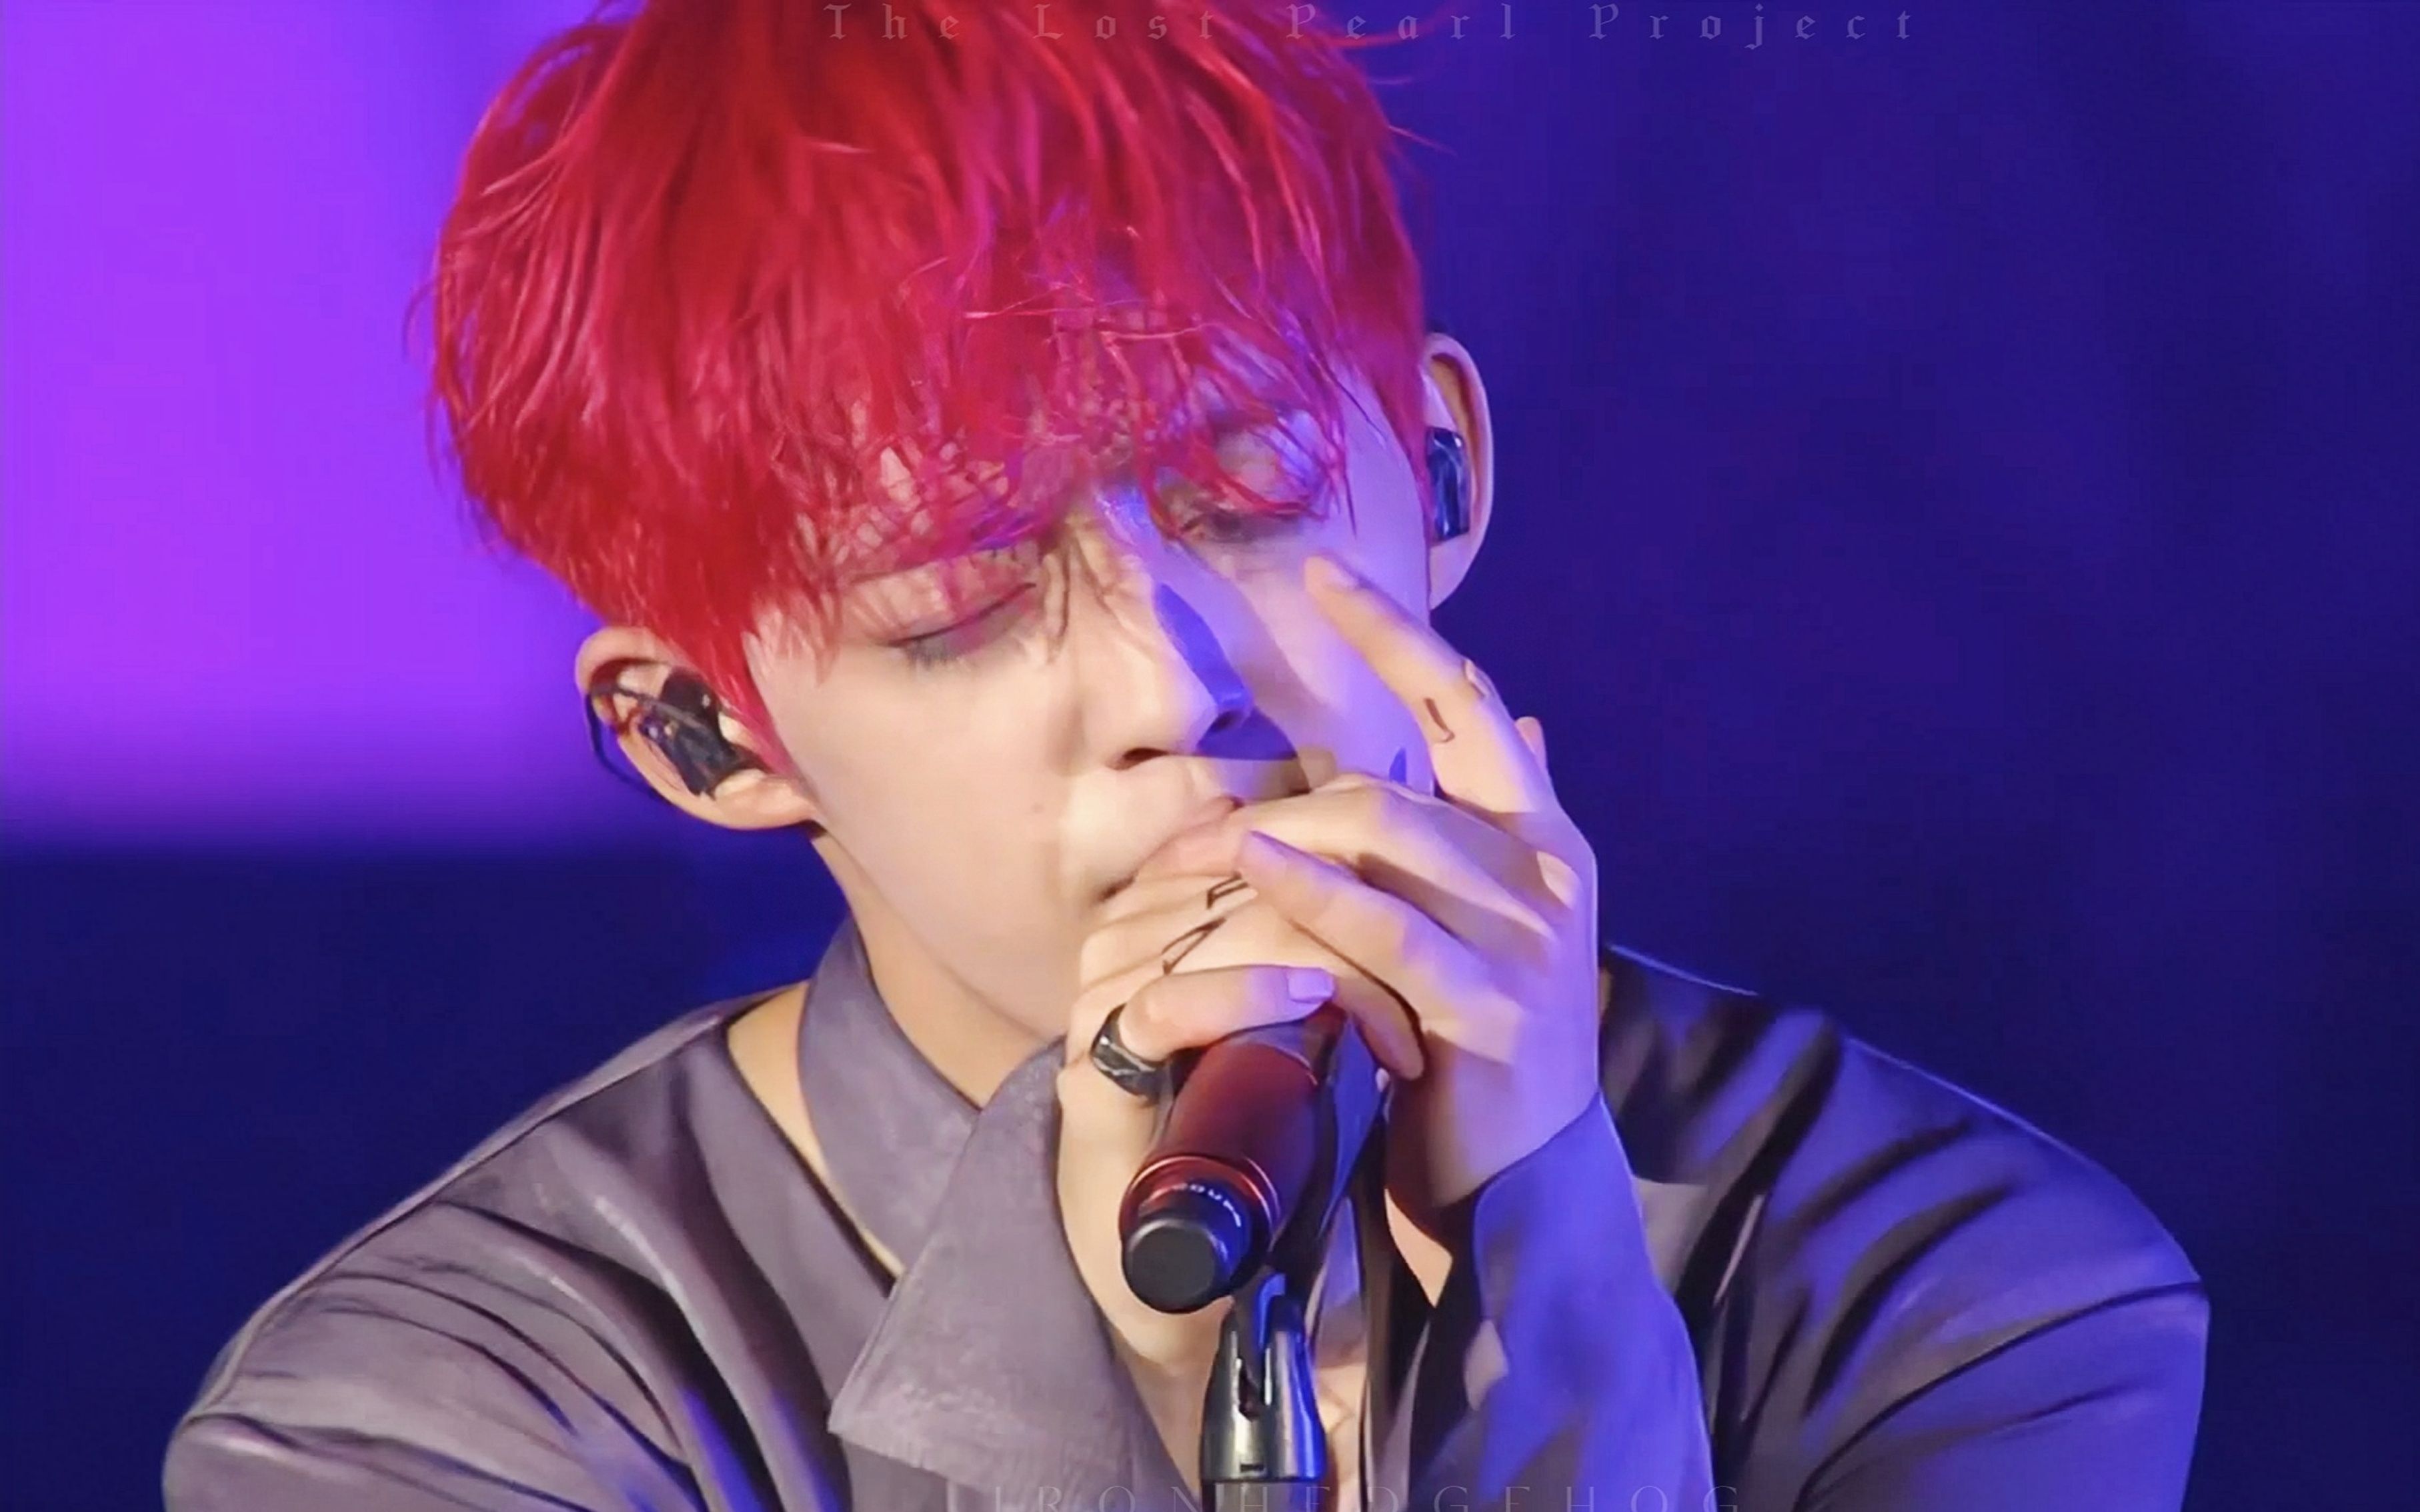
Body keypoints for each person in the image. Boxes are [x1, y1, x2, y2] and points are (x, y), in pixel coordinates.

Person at [163, 3, 2207, 1508]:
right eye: (960, 604)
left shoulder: (1969, 1295)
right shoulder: (438, 1418)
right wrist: (1097, 1400)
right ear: (706, 732)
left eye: (1249, 495)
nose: (1170, 677)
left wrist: (1536, 1284)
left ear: (1438, 467)